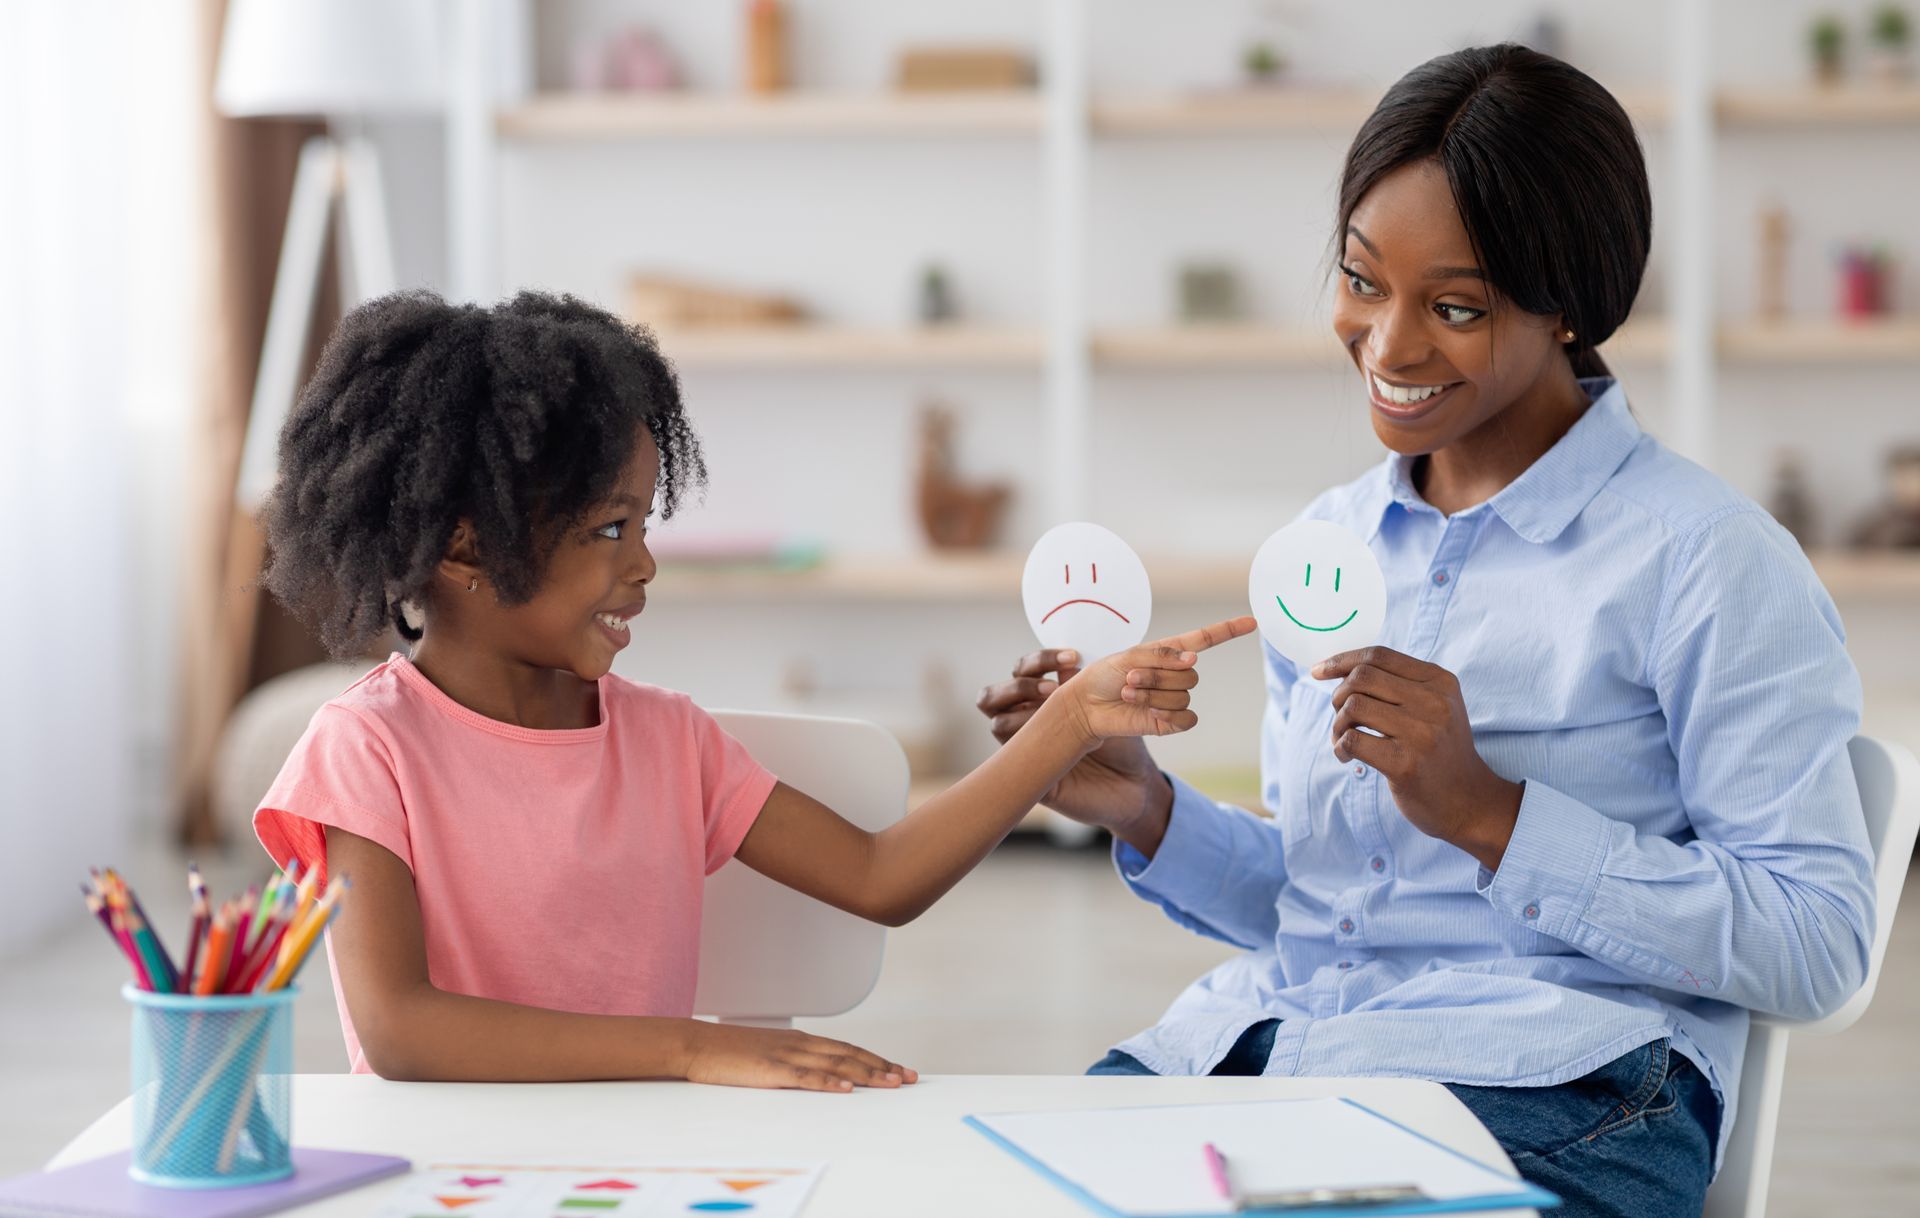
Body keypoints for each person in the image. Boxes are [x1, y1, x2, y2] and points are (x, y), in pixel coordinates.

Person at [974, 44, 1874, 1217]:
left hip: (1559, 1090)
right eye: (1362, 280)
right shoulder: (1324, 549)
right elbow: (1331, 902)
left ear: (1568, 306)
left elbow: (1817, 944)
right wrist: (1146, 808)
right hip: (1279, 1050)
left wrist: (1493, 815)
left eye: (1454, 308)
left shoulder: (1707, 561)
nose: (1389, 345)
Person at [252, 289, 1257, 1089]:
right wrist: (692, 1046)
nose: (644, 564)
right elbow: (401, 1029)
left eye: (646, 525)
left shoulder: (667, 741)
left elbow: (880, 877)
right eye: (610, 529)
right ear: (469, 546)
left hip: (654, 1167)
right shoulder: (366, 750)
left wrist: (1069, 723)